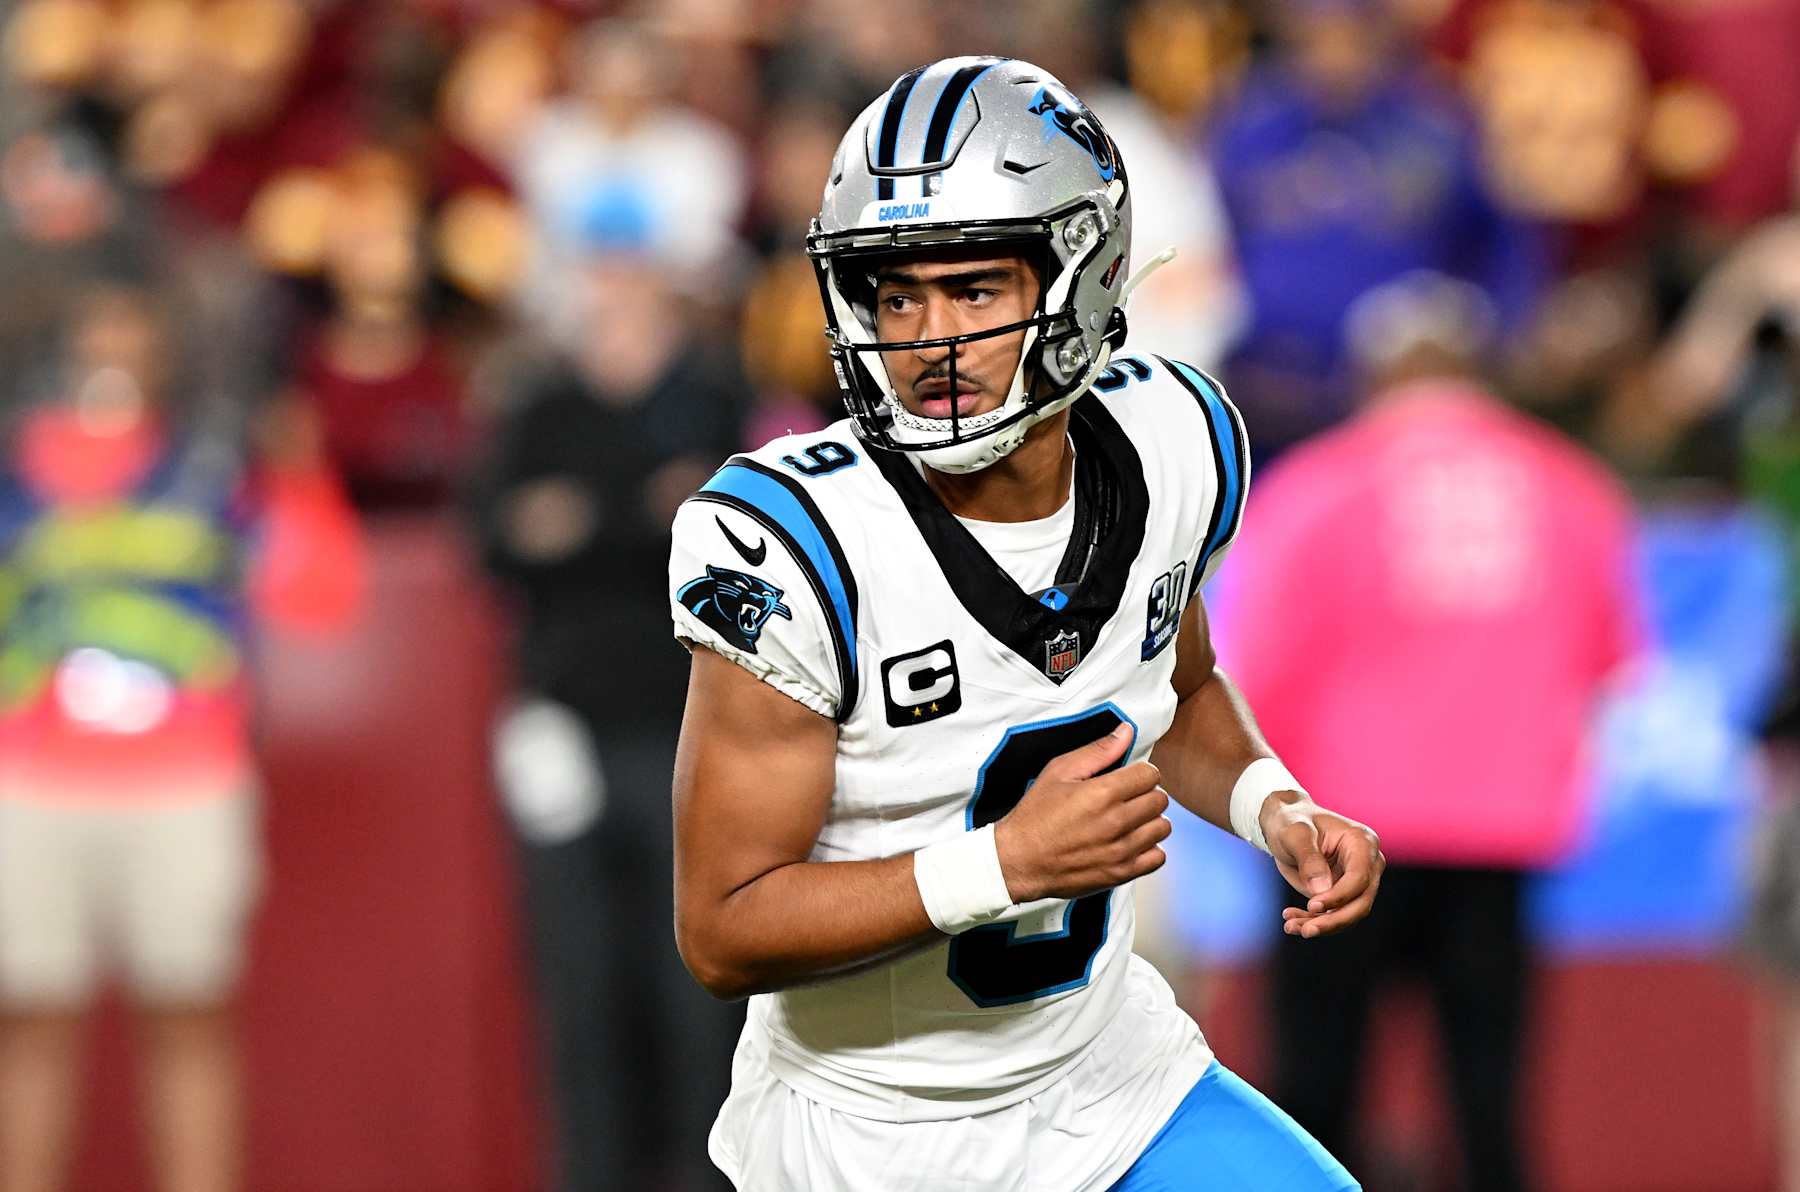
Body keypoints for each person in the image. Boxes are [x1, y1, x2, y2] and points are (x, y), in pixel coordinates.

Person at [665, 56, 1383, 1191]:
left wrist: (1269, 803)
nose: (928, 342)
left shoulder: (1175, 437)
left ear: (1081, 276)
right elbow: (723, 925)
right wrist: (1001, 864)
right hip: (871, 1130)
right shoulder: (798, 540)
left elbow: (1179, 684)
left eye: (975, 290)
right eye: (895, 296)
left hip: (1109, 1078)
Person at [1218, 272, 1641, 1191]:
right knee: (1487, 1103)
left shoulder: (1319, 488)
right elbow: (1610, 664)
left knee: (1316, 1101)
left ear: (1375, 375)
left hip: (1333, 833)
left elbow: (1251, 680)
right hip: (1498, 836)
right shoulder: (1569, 487)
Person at [0, 275, 361, 1192]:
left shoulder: (214, 471)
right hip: (33, 786)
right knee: (30, 1028)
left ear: (165, 353)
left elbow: (317, 597)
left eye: (132, 330)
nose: (112, 351)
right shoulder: (12, 470)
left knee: (192, 1023)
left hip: (187, 787)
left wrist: (300, 474)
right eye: (96, 330)